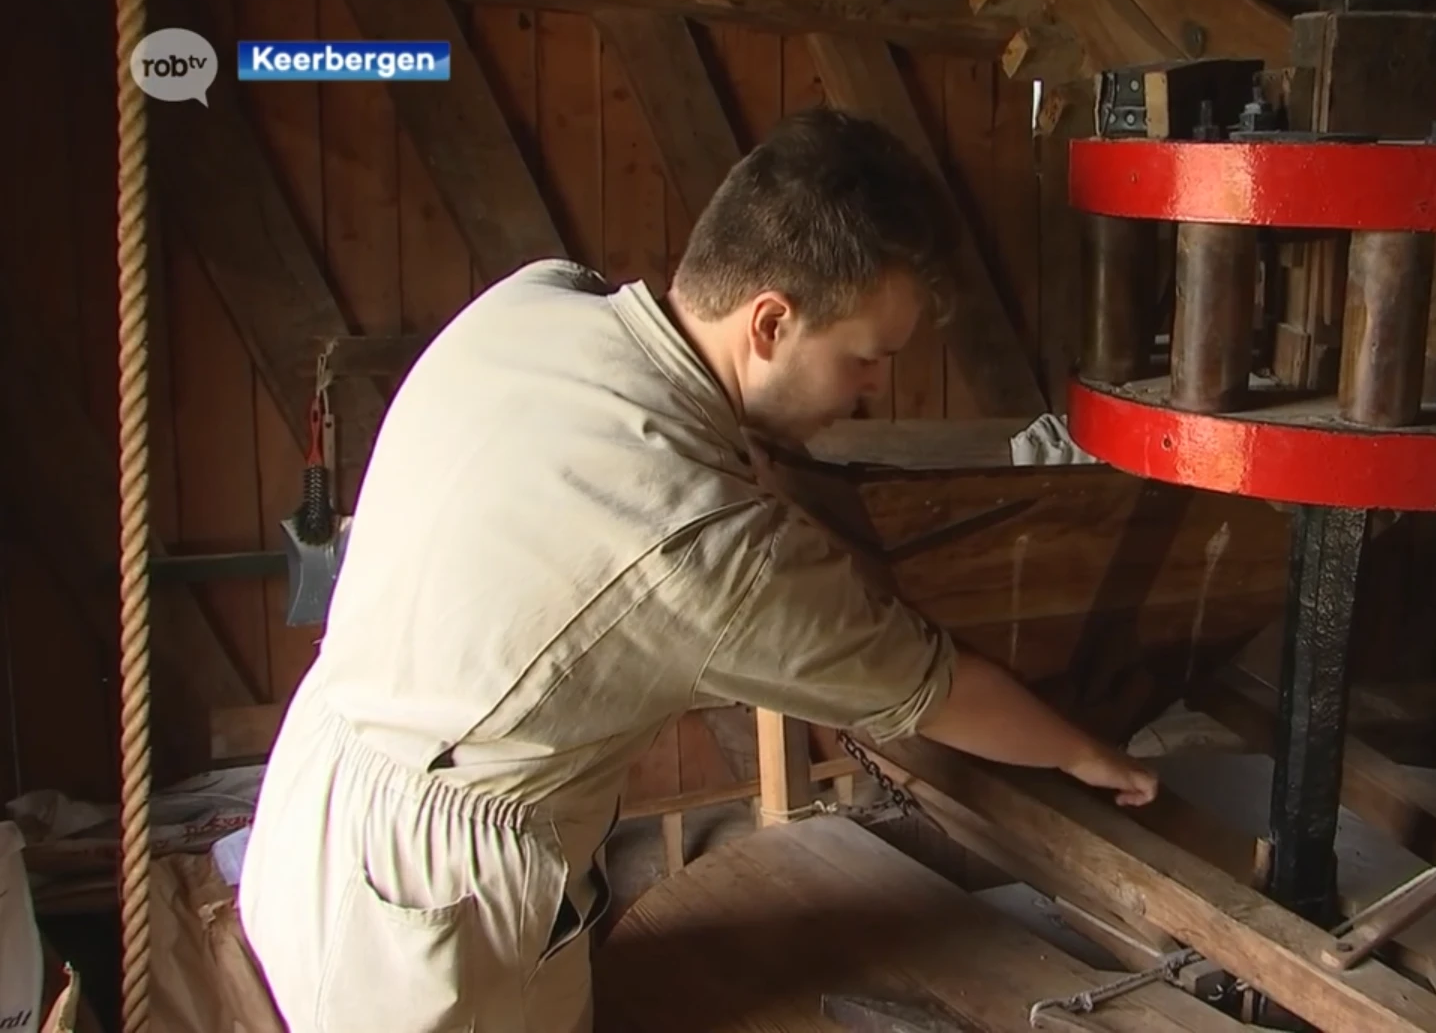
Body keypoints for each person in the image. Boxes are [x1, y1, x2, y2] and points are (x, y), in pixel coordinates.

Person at [237, 105, 1159, 1033]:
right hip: (430, 904)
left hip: (319, 777)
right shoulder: (702, 543)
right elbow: (933, 686)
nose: (873, 388)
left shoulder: (536, 301)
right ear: (769, 322)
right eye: (865, 360)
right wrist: (1087, 751)